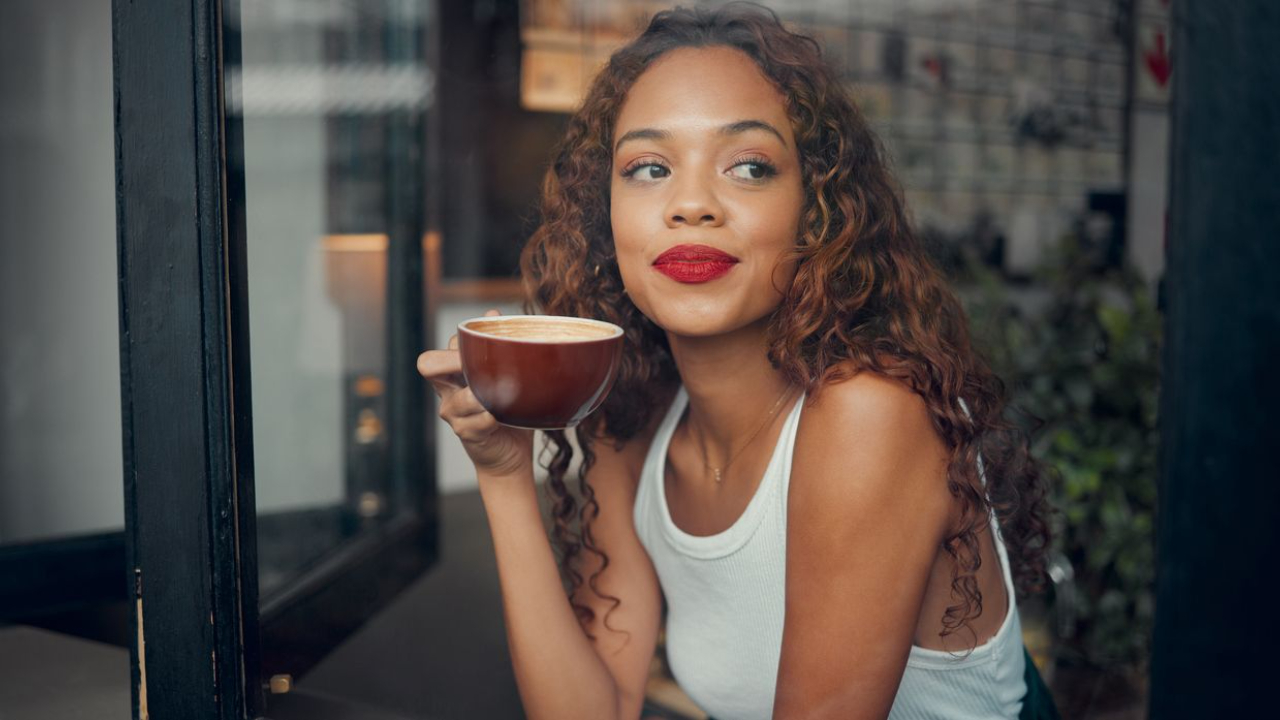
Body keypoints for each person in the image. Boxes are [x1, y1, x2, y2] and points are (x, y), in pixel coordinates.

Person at [418, 5, 1055, 719]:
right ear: (608, 219)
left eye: (750, 167)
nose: (692, 204)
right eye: (649, 168)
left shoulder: (870, 415)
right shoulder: (633, 425)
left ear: (816, 211)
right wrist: (504, 473)